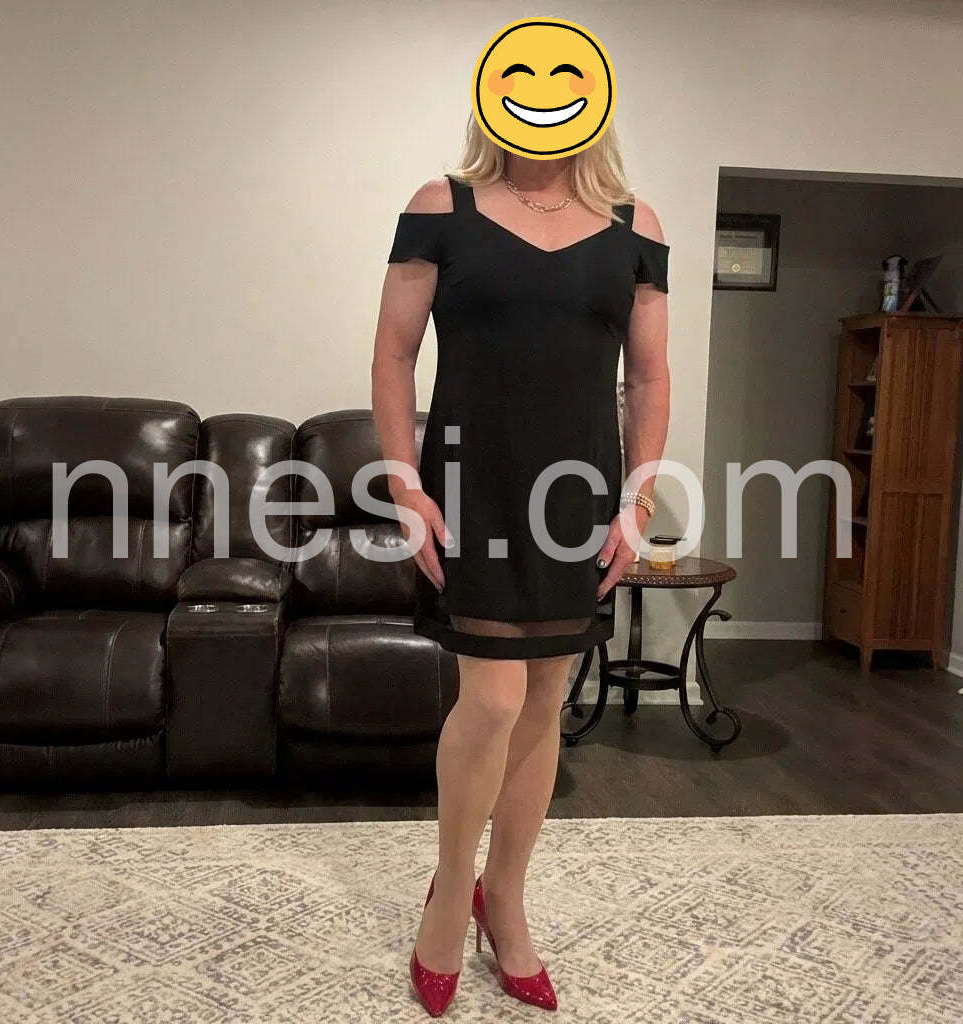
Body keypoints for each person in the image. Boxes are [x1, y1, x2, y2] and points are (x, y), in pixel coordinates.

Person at [370, 111, 671, 1015]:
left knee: (545, 697)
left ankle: (503, 897)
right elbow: (394, 354)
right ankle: (448, 893)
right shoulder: (442, 206)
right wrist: (406, 486)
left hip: (578, 489)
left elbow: (648, 376)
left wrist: (638, 502)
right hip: (474, 483)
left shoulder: (635, 224)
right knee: (494, 697)